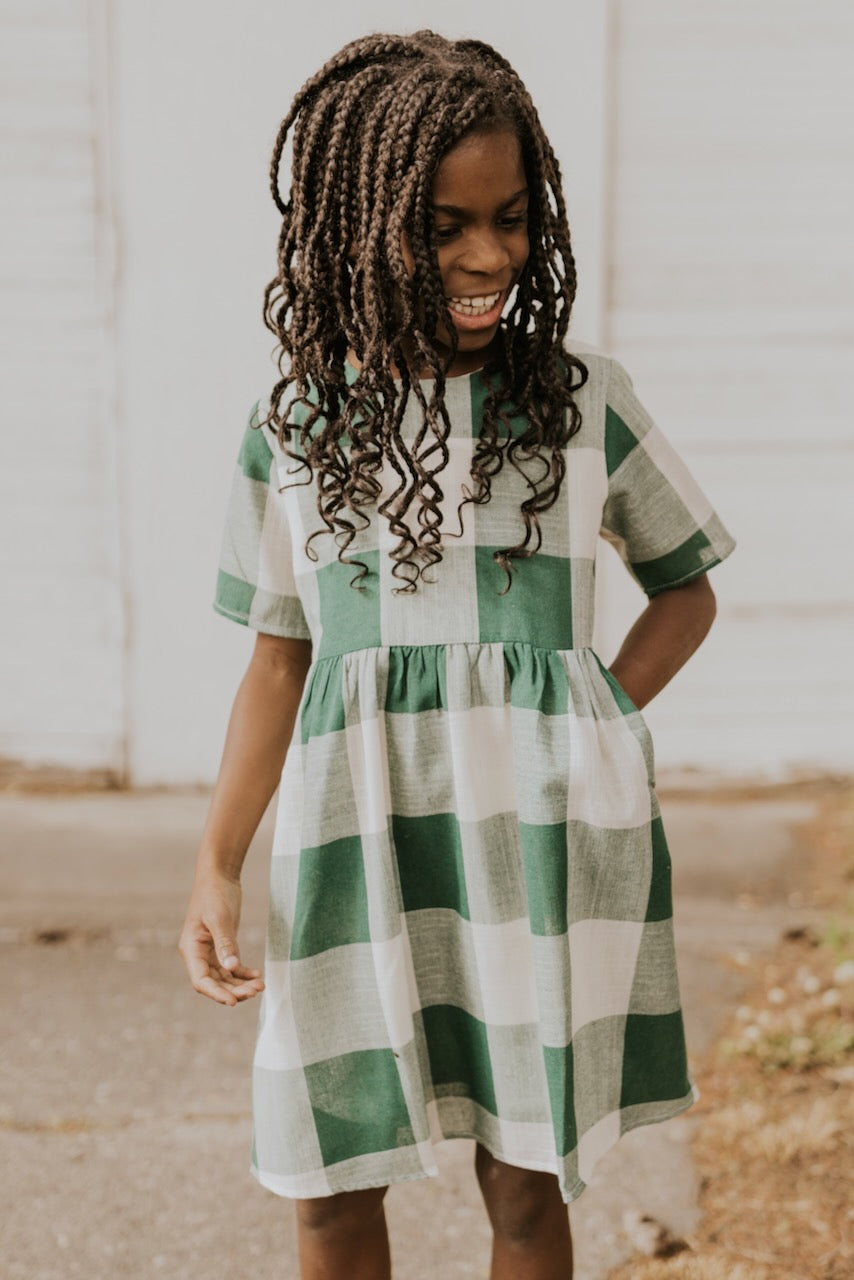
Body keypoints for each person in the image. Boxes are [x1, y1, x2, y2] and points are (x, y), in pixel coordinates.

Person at [178, 30, 735, 1280]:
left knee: (526, 1186)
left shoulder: (580, 397)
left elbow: (683, 589)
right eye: (443, 225)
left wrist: (593, 714)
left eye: (511, 218)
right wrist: (214, 864)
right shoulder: (295, 424)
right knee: (328, 1175)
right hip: (346, 837)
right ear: (361, 224)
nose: (490, 257)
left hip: (539, 839)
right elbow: (278, 661)